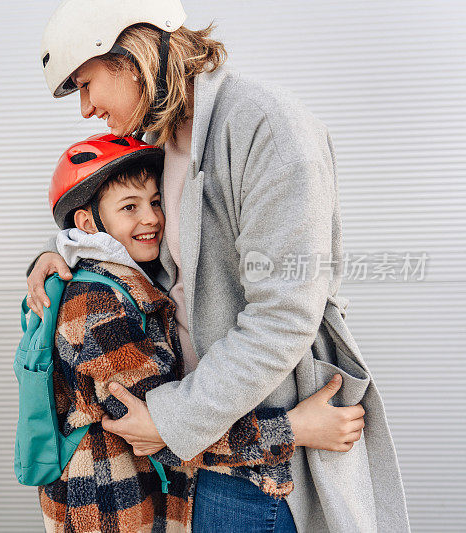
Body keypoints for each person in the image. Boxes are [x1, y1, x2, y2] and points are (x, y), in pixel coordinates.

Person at [28, 1, 410, 531]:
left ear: (131, 56)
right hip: (196, 457)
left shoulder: (269, 129)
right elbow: (130, 238)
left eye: (86, 84)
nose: (87, 109)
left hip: (258, 471)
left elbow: (284, 316)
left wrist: (170, 419)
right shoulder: (163, 141)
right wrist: (67, 252)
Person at [36, 133, 369, 533]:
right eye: (130, 206)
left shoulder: (131, 278)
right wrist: (295, 429)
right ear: (88, 223)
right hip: (114, 513)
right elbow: (164, 429)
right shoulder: (97, 305)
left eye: (156, 202)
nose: (151, 219)